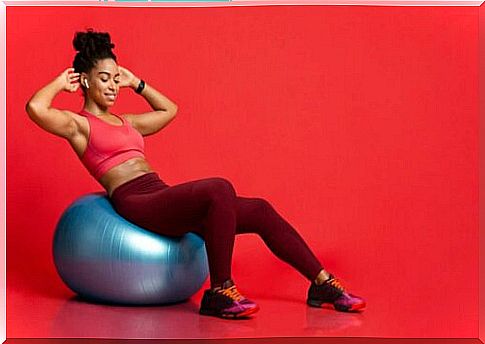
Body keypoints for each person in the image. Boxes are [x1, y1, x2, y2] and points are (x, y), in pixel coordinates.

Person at [25, 28, 366, 319]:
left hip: (159, 193)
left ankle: (322, 283)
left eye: (116, 79)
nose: (113, 87)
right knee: (219, 188)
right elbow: (35, 108)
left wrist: (137, 83)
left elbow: (169, 110)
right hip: (136, 201)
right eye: (105, 78)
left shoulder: (129, 122)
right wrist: (59, 83)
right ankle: (220, 290)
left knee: (259, 209)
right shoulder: (80, 126)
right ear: (84, 80)